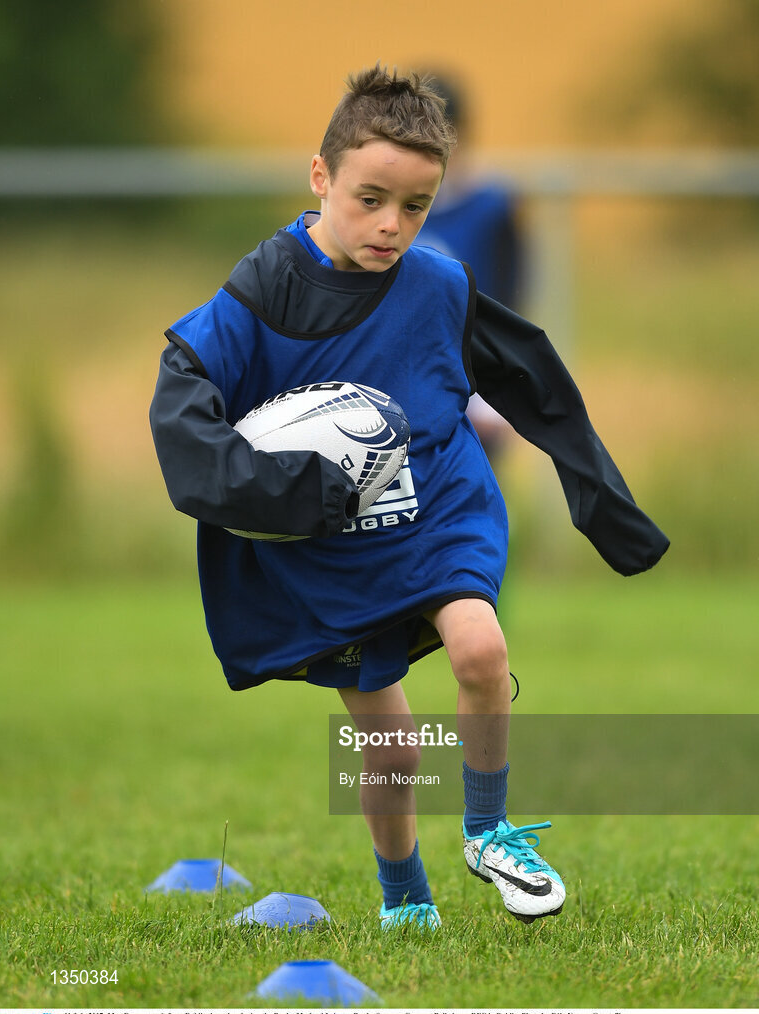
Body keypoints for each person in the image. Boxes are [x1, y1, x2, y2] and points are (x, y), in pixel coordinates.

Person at [149, 65, 669, 931]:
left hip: (437, 511)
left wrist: (600, 499)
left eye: (417, 205)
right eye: (370, 198)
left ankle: (489, 828)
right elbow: (183, 406)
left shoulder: (439, 284)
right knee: (387, 746)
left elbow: (537, 381)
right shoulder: (261, 289)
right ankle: (405, 901)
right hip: (333, 546)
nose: (392, 225)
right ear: (320, 176)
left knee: (480, 648)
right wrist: (284, 491)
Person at [417, 72, 522, 463]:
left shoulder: (491, 206)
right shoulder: (381, 205)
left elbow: (508, 296)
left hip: (471, 379)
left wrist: (493, 394)